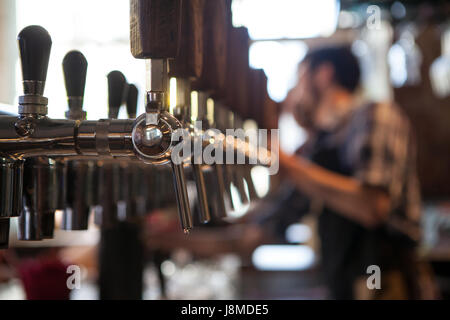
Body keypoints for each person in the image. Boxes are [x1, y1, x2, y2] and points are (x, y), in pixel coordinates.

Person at [277, 45, 422, 299]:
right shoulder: (319, 144)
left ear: (324, 74)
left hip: (381, 279)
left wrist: (287, 164)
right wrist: (186, 241)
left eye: (299, 80)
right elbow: (271, 223)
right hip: (342, 283)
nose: (294, 94)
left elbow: (372, 207)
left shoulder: (377, 114)